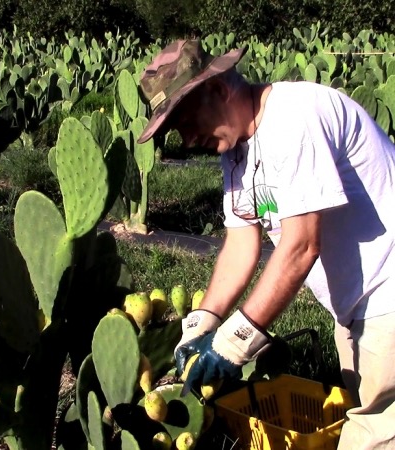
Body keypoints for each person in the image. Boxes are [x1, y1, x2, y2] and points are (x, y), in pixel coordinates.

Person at [136, 38, 395, 449]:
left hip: (388, 297)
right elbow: (241, 242)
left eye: (185, 120)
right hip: (355, 308)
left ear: (218, 89)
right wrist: (200, 323)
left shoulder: (294, 119)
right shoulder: (237, 150)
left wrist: (235, 341)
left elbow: (300, 246)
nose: (185, 139)